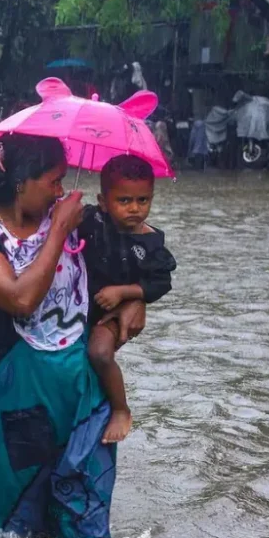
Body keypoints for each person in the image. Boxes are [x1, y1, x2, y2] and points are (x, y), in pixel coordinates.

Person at [0, 134, 146, 538]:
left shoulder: (76, 219)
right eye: (52, 181)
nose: (60, 191)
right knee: (11, 535)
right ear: (20, 182)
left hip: (80, 387)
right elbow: (20, 298)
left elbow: (135, 256)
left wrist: (137, 299)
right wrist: (57, 230)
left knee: (85, 516)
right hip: (10, 395)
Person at [79, 154, 176, 444]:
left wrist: (126, 293)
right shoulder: (90, 220)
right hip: (80, 307)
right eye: (124, 201)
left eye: (143, 200)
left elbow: (161, 283)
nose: (135, 209)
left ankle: (121, 409)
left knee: (99, 352)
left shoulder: (151, 243)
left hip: (113, 313)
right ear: (103, 201)